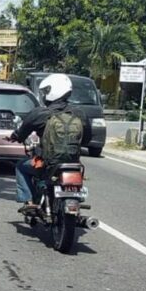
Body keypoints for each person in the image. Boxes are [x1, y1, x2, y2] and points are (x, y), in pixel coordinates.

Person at [7, 74, 92, 213]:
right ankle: (75, 198)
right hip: (73, 164)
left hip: (48, 164)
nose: (45, 95)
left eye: (46, 91)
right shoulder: (79, 114)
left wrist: (14, 137)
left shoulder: (41, 113)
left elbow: (22, 131)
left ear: (53, 91)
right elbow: (87, 139)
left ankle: (28, 201)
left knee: (21, 166)